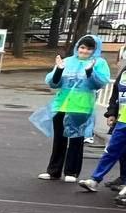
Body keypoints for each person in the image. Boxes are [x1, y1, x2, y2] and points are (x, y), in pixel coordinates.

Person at [33, 35, 110, 182]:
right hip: (62, 104)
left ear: (95, 50)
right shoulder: (68, 61)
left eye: (89, 49)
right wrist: (59, 70)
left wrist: (90, 72)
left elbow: (99, 83)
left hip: (81, 106)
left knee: (76, 139)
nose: (85, 51)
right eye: (82, 47)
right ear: (77, 47)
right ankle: (54, 171)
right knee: (59, 139)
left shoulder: (99, 63)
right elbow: (54, 83)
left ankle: (71, 171)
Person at [77, 56, 126, 193]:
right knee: (113, 150)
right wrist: (112, 113)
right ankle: (95, 180)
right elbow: (116, 94)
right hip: (123, 120)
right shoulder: (124, 72)